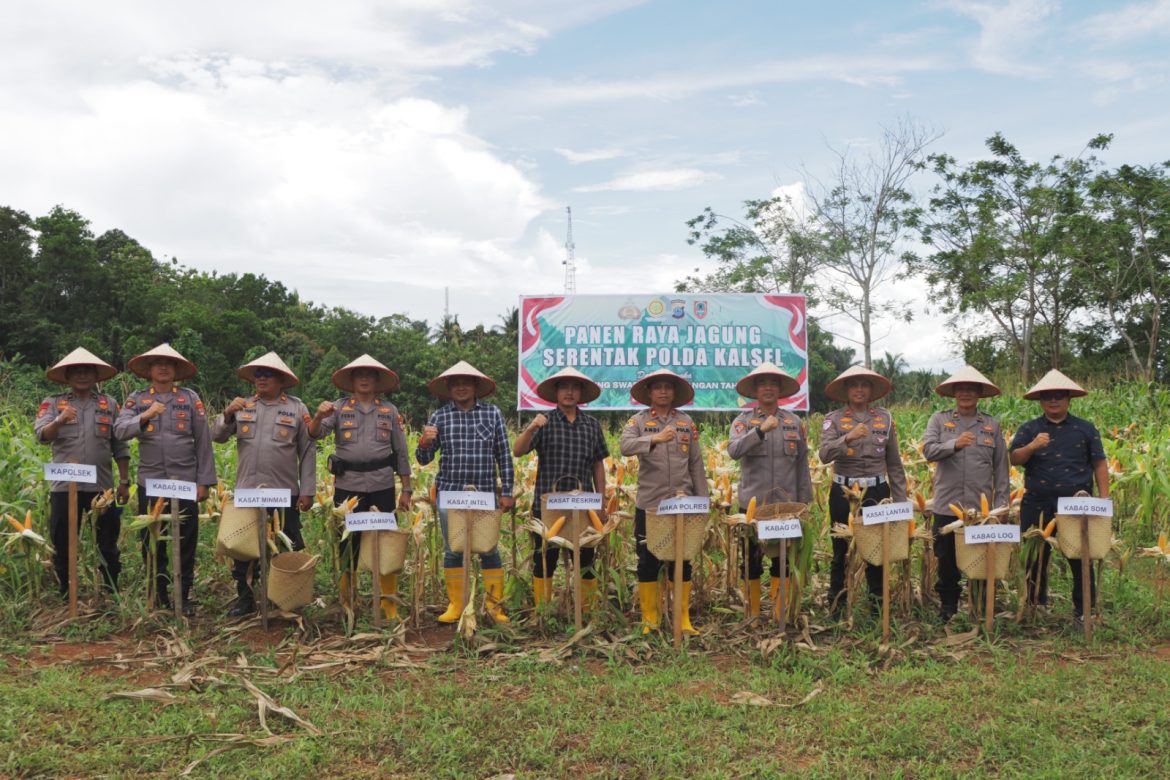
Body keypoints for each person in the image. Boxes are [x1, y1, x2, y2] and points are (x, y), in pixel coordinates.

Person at [114, 343, 217, 615]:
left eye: (168, 364)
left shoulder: (189, 397)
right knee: (152, 542)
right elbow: (119, 431)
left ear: (176, 370)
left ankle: (184, 597)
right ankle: (158, 595)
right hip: (151, 481)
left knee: (186, 541)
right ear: (149, 370)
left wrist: (204, 482)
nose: (163, 367)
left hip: (184, 481)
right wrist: (146, 415)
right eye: (157, 363)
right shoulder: (136, 400)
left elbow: (203, 442)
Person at [309, 354, 412, 620]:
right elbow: (314, 433)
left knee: (385, 541)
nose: (364, 379)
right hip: (348, 485)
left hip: (382, 483)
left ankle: (388, 603)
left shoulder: (389, 411)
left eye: (370, 375)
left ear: (377, 381)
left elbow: (400, 452)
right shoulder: (339, 408)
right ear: (352, 380)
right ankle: (348, 600)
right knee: (348, 542)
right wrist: (319, 415)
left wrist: (407, 488)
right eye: (359, 375)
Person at [212, 352, 315, 617]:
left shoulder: (296, 408)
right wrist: (226, 414)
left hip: (284, 492)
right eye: (258, 374)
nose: (262, 379)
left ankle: (284, 598)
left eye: (268, 374)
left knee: (285, 545)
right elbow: (217, 436)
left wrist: (307, 490)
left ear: (281, 379)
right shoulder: (242, 405)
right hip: (248, 491)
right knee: (243, 549)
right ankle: (245, 599)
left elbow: (307, 452)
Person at [415, 361, 515, 624]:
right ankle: (456, 605)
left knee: (489, 549)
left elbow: (503, 455)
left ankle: (495, 607)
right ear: (448, 388)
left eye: (466, 382)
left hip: (484, 493)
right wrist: (424, 441)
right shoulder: (439, 417)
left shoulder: (492, 414)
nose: (461, 387)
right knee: (453, 549)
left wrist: (507, 491)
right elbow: (424, 458)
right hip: (450, 492)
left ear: (475, 387)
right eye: (455, 383)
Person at [1010, 369, 1109, 622]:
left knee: (1081, 557)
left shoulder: (1085, 429)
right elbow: (1013, 458)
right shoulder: (1029, 428)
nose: (1053, 400)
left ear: (1068, 399)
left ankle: (1083, 611)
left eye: (1059, 396)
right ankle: (1034, 606)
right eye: (1048, 396)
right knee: (1035, 557)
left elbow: (1099, 463)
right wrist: (1032, 446)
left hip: (1076, 503)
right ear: (1041, 401)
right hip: (1037, 502)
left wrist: (1104, 498)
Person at [512, 367, 609, 613]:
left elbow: (598, 464)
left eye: (574, 387)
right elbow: (518, 451)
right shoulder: (543, 421)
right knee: (545, 559)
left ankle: (586, 610)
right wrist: (532, 427)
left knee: (586, 559)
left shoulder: (592, 425)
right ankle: (543, 612)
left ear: (581, 393)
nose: (569, 392)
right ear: (556, 392)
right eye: (564, 386)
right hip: (548, 504)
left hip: (583, 504)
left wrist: (601, 500)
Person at [619, 368, 708, 635]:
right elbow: (625, 446)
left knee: (682, 558)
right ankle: (651, 618)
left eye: (668, 387)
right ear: (649, 392)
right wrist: (654, 438)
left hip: (682, 502)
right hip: (650, 502)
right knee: (648, 559)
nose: (663, 391)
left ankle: (682, 618)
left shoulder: (686, 422)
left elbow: (695, 462)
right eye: (657, 387)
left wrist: (702, 500)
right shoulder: (637, 422)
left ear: (674, 392)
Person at [35, 347, 131, 595]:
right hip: (65, 487)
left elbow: (119, 444)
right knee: (64, 540)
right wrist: (60, 420)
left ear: (96, 376)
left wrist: (124, 480)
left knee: (107, 541)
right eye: (76, 371)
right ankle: (67, 590)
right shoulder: (53, 403)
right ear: (67, 377)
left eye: (87, 371)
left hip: (102, 486)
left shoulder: (108, 404)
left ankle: (110, 588)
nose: (82, 375)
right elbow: (42, 436)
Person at [818, 365, 908, 616]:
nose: (859, 389)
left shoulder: (885, 418)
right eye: (854, 384)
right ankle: (837, 604)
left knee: (877, 550)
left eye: (864, 385)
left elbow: (894, 463)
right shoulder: (833, 420)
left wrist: (900, 501)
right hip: (843, 492)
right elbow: (824, 455)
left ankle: (877, 605)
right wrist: (847, 438)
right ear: (846, 390)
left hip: (877, 492)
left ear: (871, 391)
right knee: (841, 549)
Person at [922, 366, 1010, 622]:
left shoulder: (991, 425)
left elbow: (1001, 469)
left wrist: (1002, 506)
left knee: (981, 559)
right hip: (946, 506)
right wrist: (954, 444)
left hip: (980, 511)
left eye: (971, 389)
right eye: (961, 389)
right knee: (946, 560)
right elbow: (928, 451)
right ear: (954, 393)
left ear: (979, 393)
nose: (966, 393)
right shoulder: (939, 420)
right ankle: (948, 607)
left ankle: (981, 607)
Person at [727, 362, 811, 619]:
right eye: (762, 383)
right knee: (751, 560)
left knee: (783, 560)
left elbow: (802, 464)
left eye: (773, 383)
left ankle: (780, 611)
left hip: (786, 507)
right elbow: (734, 451)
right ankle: (751, 612)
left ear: (780, 389)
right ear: (754, 389)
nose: (768, 388)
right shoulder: (742, 422)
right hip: (753, 507)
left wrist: (805, 502)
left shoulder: (793, 421)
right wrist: (759, 432)